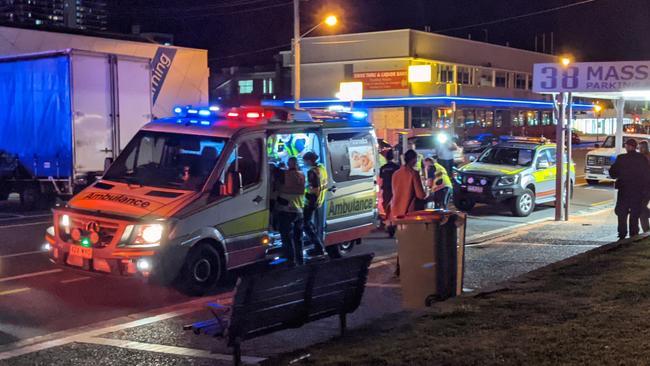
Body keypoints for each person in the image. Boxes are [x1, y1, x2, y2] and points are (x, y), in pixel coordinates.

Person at [391, 149, 429, 276]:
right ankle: (409, 268)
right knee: (413, 242)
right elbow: (420, 195)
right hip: (410, 212)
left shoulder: (396, 173)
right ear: (413, 160)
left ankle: (399, 267)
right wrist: (428, 193)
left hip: (396, 211)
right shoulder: (413, 173)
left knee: (402, 241)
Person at [609, 139, 650, 240]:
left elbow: (613, 173)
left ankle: (622, 234)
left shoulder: (621, 158)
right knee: (635, 214)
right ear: (635, 147)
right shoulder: (642, 159)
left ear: (628, 146)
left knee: (622, 213)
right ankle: (634, 233)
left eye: (626, 145)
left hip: (624, 190)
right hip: (638, 191)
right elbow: (647, 175)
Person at [276, 157, 306, 265]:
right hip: (299, 211)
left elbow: (279, 185)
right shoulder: (302, 174)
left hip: (287, 210)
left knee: (287, 238)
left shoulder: (286, 175)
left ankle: (291, 261)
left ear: (290, 164)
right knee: (298, 238)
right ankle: (300, 260)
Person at [302, 151, 328, 257]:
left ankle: (318, 247)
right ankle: (317, 244)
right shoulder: (321, 168)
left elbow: (314, 188)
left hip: (311, 201)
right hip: (319, 200)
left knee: (305, 224)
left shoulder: (312, 172)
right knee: (309, 223)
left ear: (309, 160)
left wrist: (304, 189)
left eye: (304, 161)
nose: (304, 163)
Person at [379, 149, 400, 237]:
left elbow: (381, 178)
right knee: (395, 208)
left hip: (386, 191)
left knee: (387, 208)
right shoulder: (396, 167)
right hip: (395, 190)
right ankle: (394, 226)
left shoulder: (383, 168)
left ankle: (389, 226)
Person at [639, 141, 650, 232]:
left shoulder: (646, 158)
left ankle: (646, 230)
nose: (640, 149)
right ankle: (646, 230)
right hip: (642, 187)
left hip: (646, 187)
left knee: (641, 208)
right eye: (639, 148)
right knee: (642, 208)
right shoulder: (639, 158)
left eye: (642, 147)